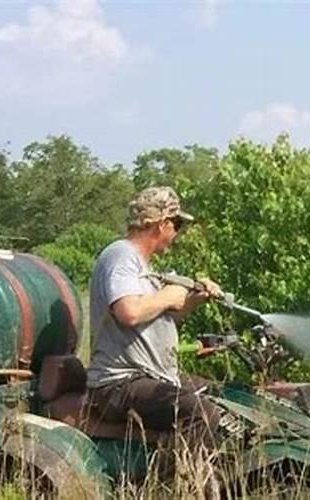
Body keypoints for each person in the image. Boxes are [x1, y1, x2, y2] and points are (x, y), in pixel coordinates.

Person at [86, 186, 223, 450]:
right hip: (119, 383)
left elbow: (156, 315)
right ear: (161, 224)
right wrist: (170, 296)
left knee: (221, 395)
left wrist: (194, 298)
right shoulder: (121, 255)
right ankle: (168, 485)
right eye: (177, 225)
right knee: (202, 415)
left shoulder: (142, 266)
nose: (177, 234)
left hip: (148, 378)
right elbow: (129, 312)